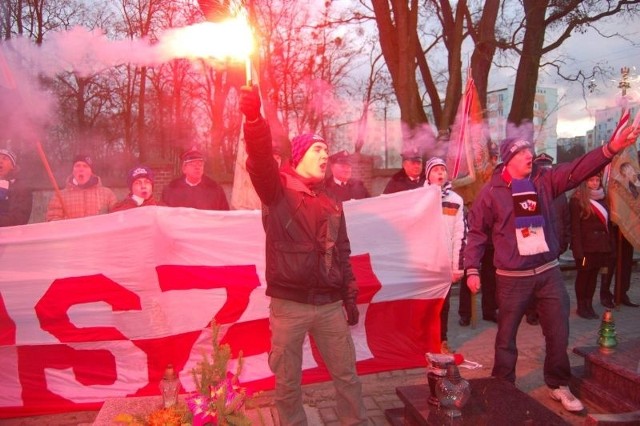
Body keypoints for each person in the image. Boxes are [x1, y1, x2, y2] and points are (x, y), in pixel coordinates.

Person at [464, 124, 640, 413]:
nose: (529, 156)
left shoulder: (544, 181)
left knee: (558, 331)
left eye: (530, 150)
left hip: (547, 272)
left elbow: (577, 169)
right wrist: (471, 268)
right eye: (522, 152)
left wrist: (610, 149)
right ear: (508, 158)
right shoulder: (490, 192)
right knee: (505, 336)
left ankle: (558, 384)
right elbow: (477, 232)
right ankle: (503, 386)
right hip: (512, 277)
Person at [239, 86, 367, 425]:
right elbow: (261, 161)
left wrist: (349, 299)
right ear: (298, 157)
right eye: (318, 149)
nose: (326, 156)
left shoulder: (332, 202)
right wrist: (254, 121)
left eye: (326, 149)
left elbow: (342, 253)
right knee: (287, 384)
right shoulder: (276, 190)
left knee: (348, 377)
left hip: (328, 307)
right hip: (289, 307)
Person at [424, 157, 466, 354]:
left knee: (444, 304)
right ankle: (423, 341)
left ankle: (442, 340)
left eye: (443, 170)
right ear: (428, 175)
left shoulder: (456, 200)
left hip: (444, 263)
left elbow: (460, 234)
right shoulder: (418, 199)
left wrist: (457, 266)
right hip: (424, 264)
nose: (440, 173)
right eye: (435, 170)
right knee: (425, 305)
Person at [569, 174, 615, 319]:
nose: (595, 183)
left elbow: (607, 225)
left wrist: (610, 245)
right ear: (585, 182)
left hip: (600, 247)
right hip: (585, 248)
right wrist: (578, 251)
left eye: (597, 180)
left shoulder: (603, 199)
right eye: (591, 180)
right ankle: (581, 306)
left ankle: (588, 304)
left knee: (593, 276)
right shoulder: (576, 200)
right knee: (584, 277)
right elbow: (575, 228)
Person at [46, 154, 117, 221]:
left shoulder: (107, 194)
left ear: (91, 171)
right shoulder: (60, 196)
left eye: (85, 166)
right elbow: (53, 221)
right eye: (77, 166)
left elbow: (116, 218)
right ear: (73, 171)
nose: (81, 169)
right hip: (73, 234)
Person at [162, 148, 229, 210]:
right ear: (184, 169)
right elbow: (165, 216)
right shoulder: (171, 190)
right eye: (192, 164)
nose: (197, 167)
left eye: (200, 164)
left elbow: (224, 216)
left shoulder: (215, 190)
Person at [0, 147, 32, 226]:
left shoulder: (21, 188)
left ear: (12, 166)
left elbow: (19, 219)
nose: (0, 161)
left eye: (5, 159)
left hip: (9, 235)